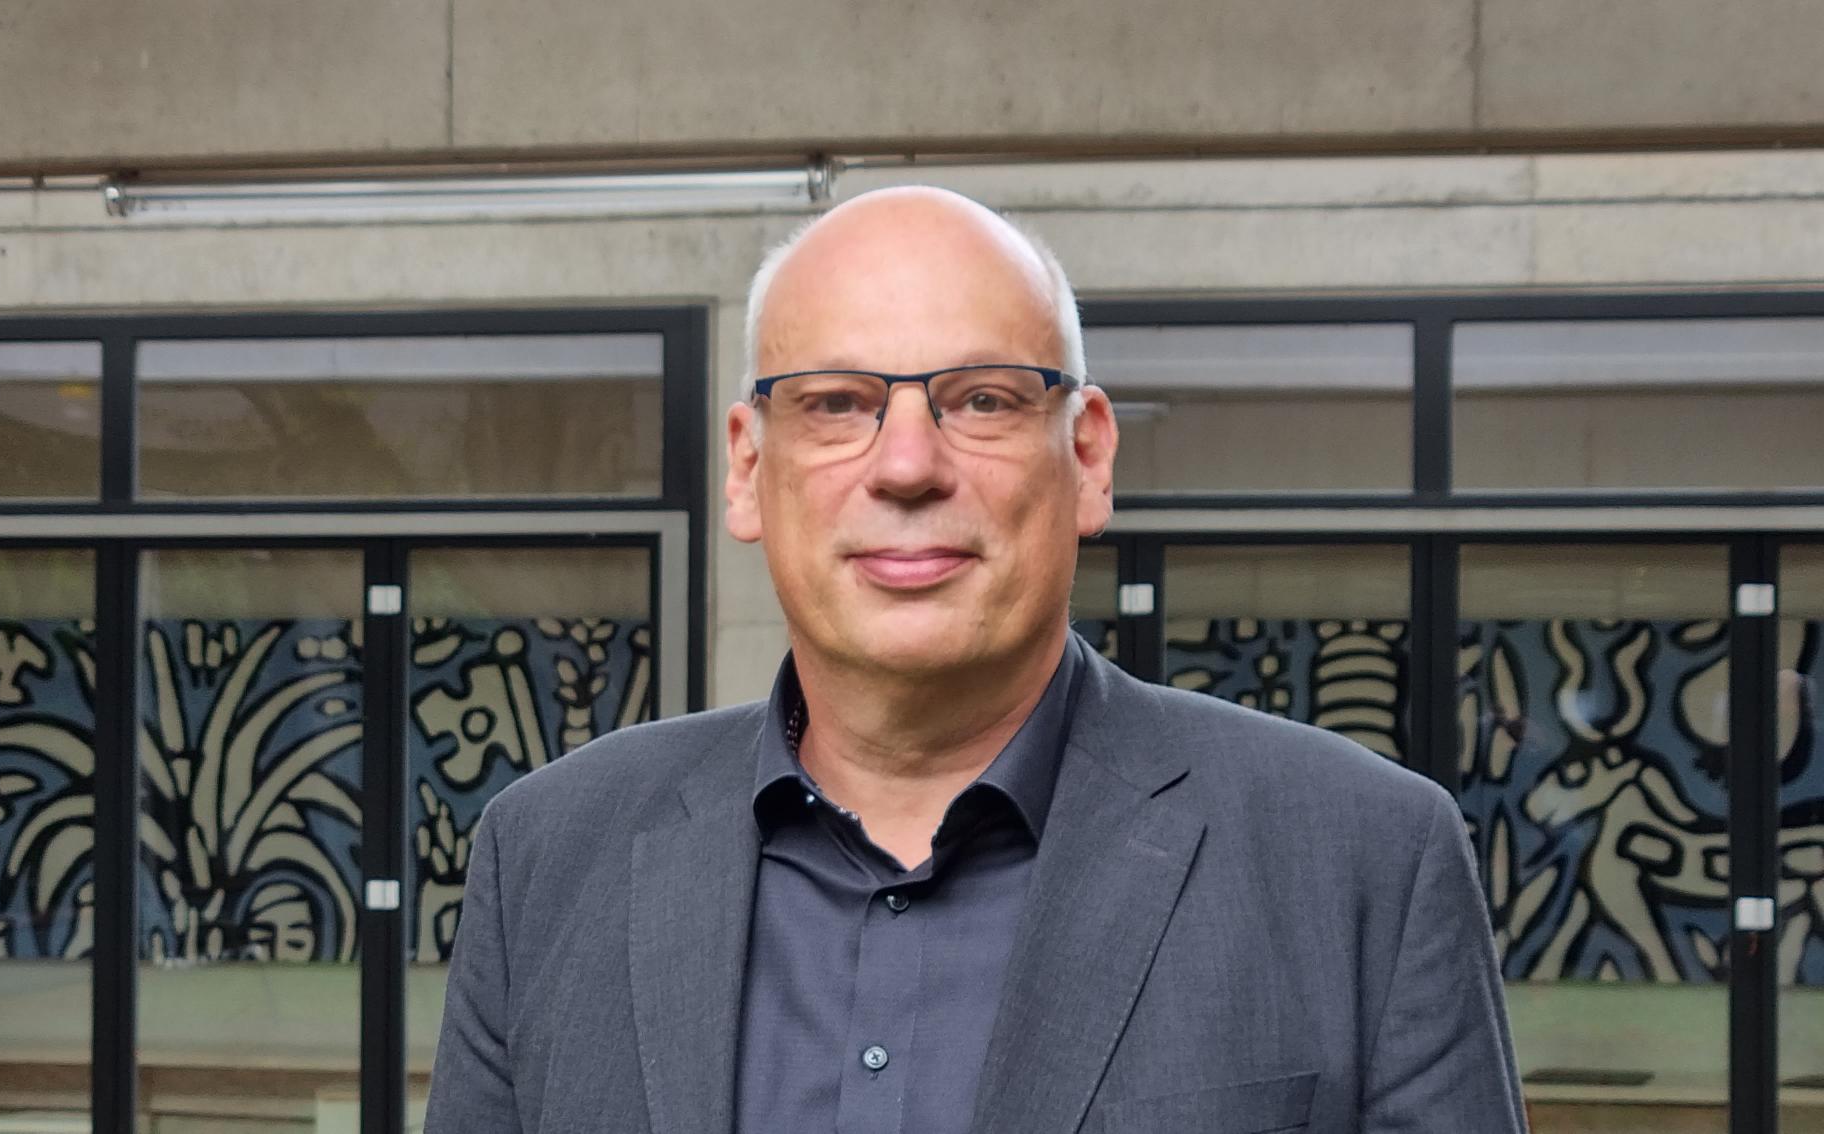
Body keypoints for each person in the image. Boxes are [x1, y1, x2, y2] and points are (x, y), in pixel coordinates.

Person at [424, 186, 1527, 1133]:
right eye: (837, 404)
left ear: (1087, 455)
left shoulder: (1362, 863)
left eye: (983, 399)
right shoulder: (547, 861)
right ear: (748, 469)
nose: (907, 465)